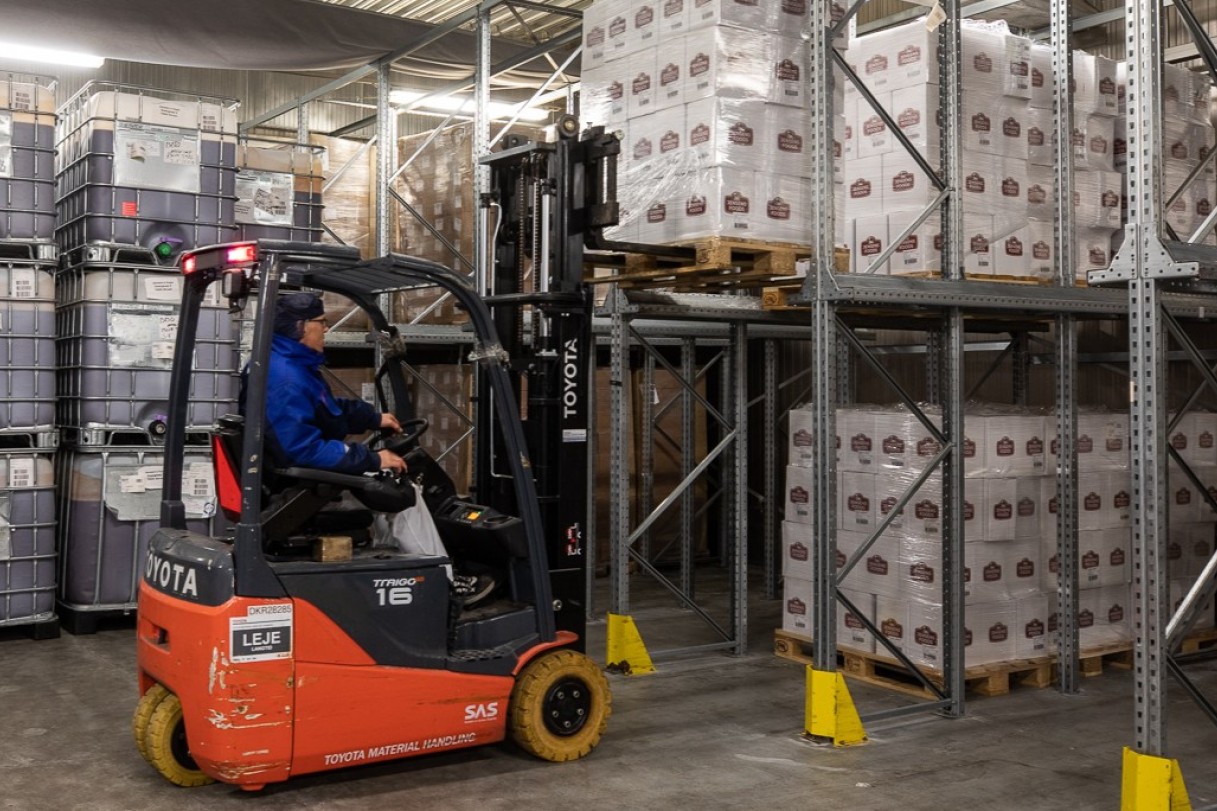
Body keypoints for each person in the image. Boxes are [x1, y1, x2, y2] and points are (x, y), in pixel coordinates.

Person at [256, 292, 494, 606]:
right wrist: (372, 458)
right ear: (300, 327)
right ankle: (444, 586)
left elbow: (328, 410)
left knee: (382, 485)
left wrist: (373, 418)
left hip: (298, 477)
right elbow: (302, 449)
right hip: (301, 484)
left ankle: (393, 569)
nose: (326, 329)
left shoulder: (289, 366)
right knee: (404, 496)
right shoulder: (287, 379)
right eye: (321, 322)